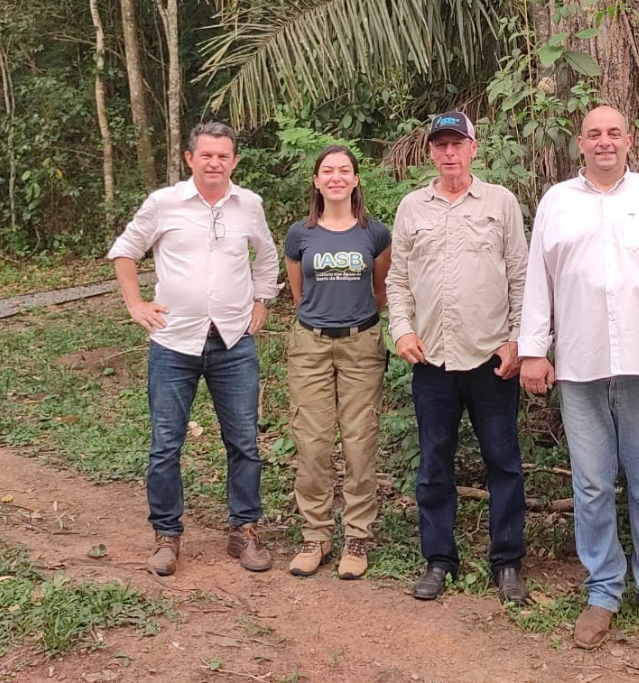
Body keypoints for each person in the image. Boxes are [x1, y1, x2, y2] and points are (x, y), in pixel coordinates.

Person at [518, 105, 639, 650]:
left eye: (613, 132)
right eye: (594, 134)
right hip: (579, 363)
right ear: (580, 143)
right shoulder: (557, 202)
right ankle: (602, 591)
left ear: (629, 139)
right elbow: (538, 282)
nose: (604, 142)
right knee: (591, 483)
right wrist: (533, 351)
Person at [108, 121, 280, 577]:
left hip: (233, 342)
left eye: (223, 156)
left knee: (243, 442)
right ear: (190, 158)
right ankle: (167, 535)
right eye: (206, 155)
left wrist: (262, 299)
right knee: (166, 445)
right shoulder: (163, 204)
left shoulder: (249, 205)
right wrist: (135, 303)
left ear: (235, 160)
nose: (214, 163)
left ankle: (244, 530)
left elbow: (267, 255)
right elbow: (125, 252)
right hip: (173, 342)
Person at [386, 111, 530, 605]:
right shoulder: (411, 208)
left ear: (474, 148)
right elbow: (398, 280)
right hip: (432, 361)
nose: (449, 153)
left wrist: (517, 341)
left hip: (492, 359)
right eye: (440, 145)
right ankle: (438, 559)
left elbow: (521, 276)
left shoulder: (500, 203)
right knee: (434, 465)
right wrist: (401, 330)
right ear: (430, 152)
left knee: (503, 463)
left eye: (457, 144)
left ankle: (508, 562)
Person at [283, 145, 391, 580]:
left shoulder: (374, 233)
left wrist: (355, 322)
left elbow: (380, 289)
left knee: (360, 441)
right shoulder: (300, 234)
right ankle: (316, 535)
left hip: (361, 343)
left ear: (355, 179)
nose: (335, 177)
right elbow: (298, 294)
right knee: (311, 442)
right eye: (327, 170)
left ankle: (358, 536)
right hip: (310, 344)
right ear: (316, 181)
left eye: (344, 170)